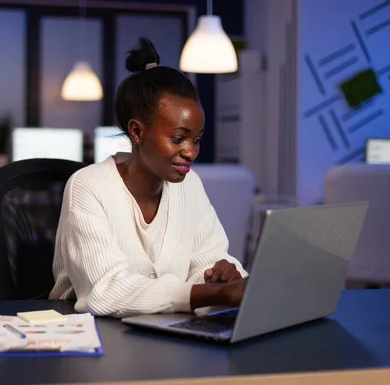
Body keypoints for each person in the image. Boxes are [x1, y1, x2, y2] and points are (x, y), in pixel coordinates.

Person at [49, 37, 248, 317]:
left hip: (167, 337)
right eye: (178, 138)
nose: (190, 152)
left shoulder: (190, 185)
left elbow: (208, 265)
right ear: (137, 132)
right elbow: (106, 293)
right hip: (94, 342)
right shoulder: (88, 187)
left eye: (197, 139)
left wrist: (223, 275)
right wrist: (211, 293)